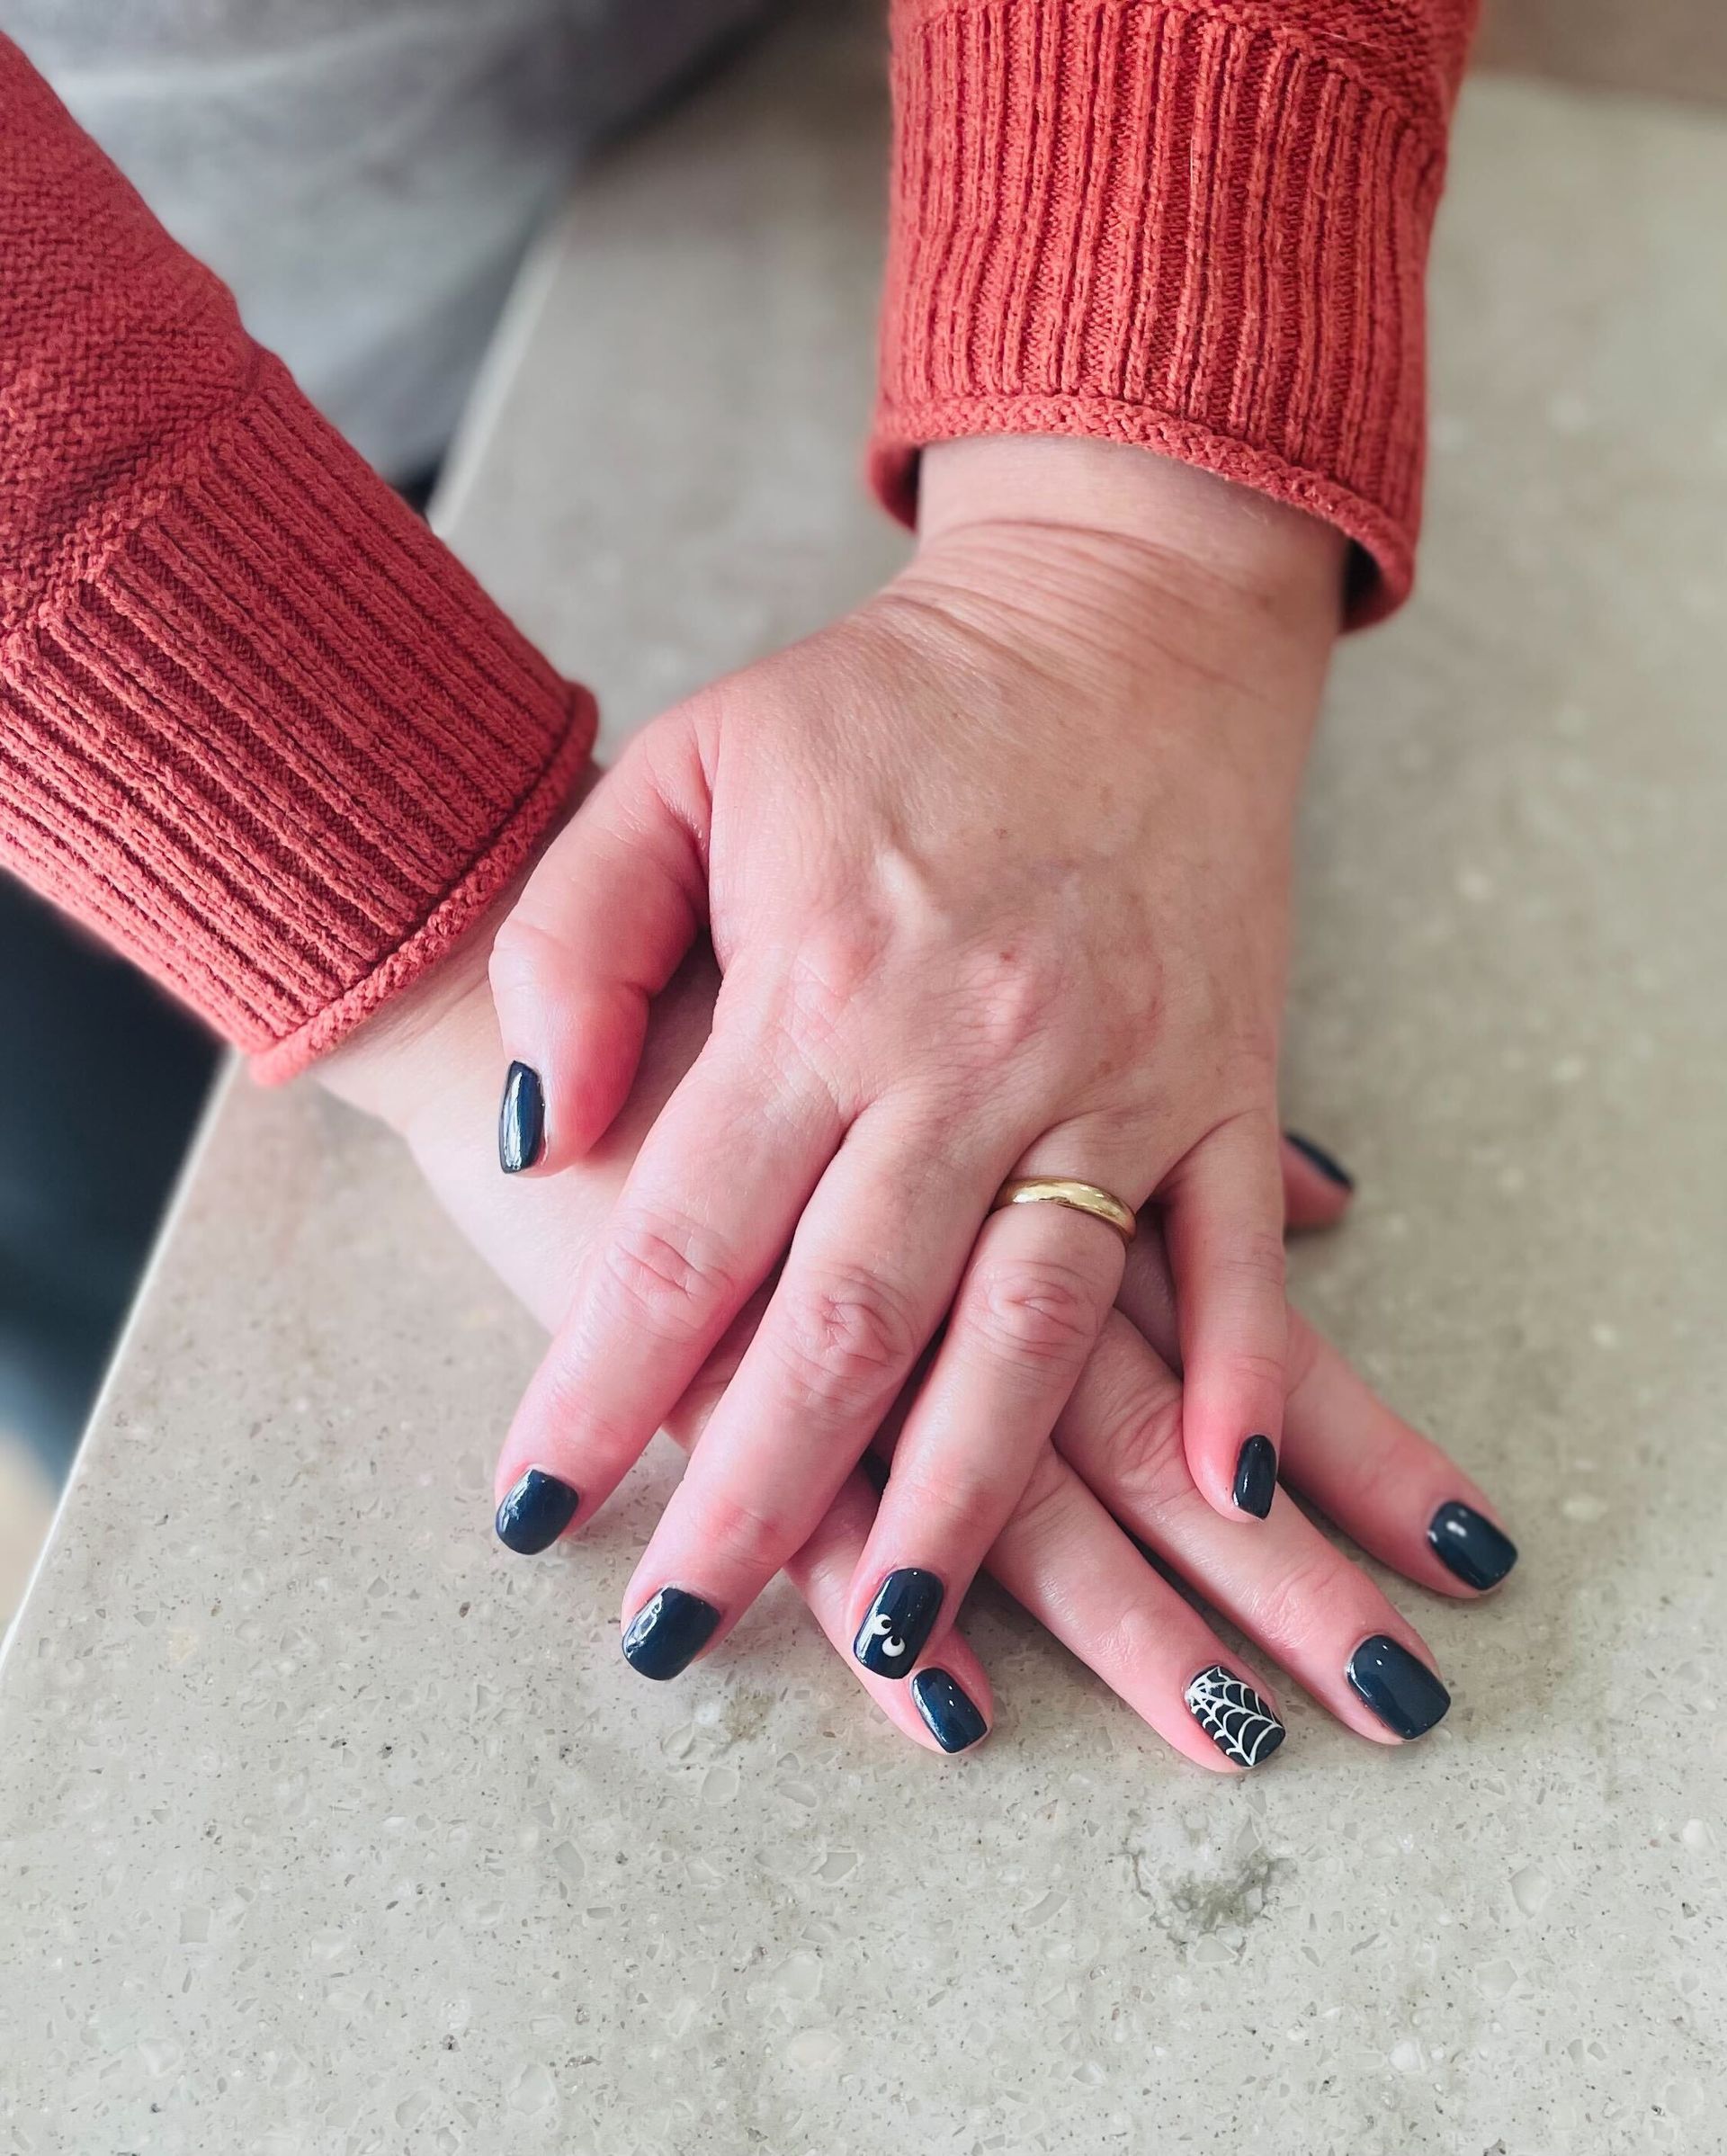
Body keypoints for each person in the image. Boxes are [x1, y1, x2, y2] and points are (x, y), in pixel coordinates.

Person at [0, 0, 1511, 1762]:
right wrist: (437, 941)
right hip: (66, 577)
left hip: (870, 134)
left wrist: (1127, 572)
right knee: (151, 1348)